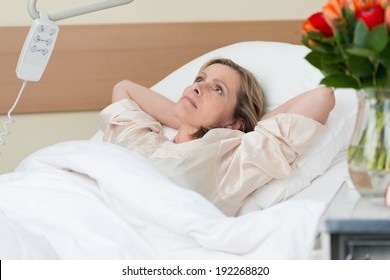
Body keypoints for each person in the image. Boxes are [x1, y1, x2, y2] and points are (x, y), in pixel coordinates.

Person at [99, 58, 335, 216]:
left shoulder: (228, 166)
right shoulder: (141, 140)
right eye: (199, 79)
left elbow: (321, 97)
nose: (196, 88)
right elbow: (124, 88)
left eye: (217, 88)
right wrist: (185, 119)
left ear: (234, 123)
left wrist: (245, 130)